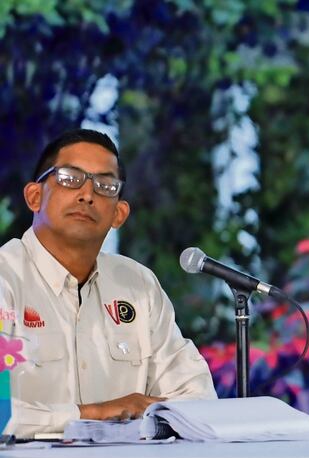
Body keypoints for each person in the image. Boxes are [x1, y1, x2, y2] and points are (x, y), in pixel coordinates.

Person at [0, 128, 216, 437]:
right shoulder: (6, 278)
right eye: (69, 178)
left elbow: (197, 398)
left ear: (119, 214)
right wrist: (92, 415)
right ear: (35, 196)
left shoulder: (138, 285)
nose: (87, 194)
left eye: (105, 186)